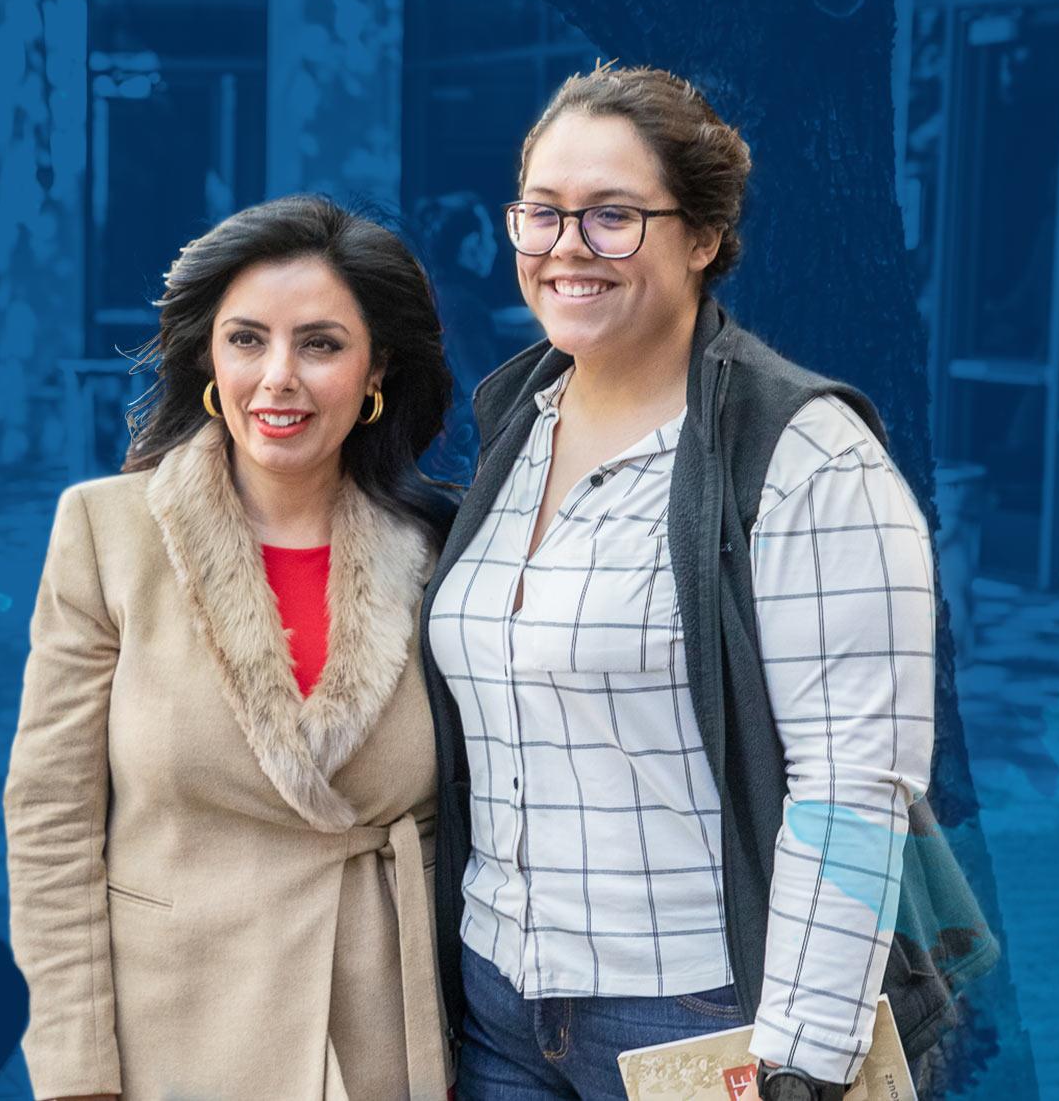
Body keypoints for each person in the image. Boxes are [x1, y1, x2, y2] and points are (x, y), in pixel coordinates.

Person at [422, 65, 992, 1101]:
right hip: (498, 1007)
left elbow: (853, 786)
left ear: (700, 239)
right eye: (540, 214)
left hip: (700, 1016)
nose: (563, 248)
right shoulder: (518, 418)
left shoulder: (806, 456)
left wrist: (798, 1062)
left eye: (609, 217)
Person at [5, 194, 460, 1100]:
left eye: (321, 344)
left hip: (385, 1044)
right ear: (209, 358)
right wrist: (75, 1072)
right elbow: (50, 821)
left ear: (377, 372)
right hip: (166, 1039)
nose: (278, 377)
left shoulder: (448, 549)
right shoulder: (107, 533)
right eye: (247, 339)